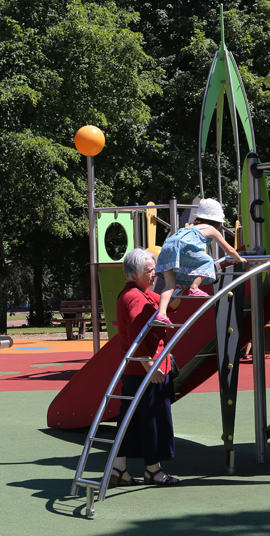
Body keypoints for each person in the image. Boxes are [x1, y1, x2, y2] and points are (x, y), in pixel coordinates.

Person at [111, 248, 180, 486]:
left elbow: (169, 306)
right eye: (150, 271)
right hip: (146, 370)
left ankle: (119, 467)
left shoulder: (142, 293)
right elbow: (135, 336)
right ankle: (153, 469)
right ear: (134, 274)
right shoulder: (134, 297)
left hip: (139, 370)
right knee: (152, 419)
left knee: (131, 419)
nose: (154, 275)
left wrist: (179, 283)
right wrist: (150, 366)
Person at [153, 198, 242, 326]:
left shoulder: (190, 227)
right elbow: (229, 249)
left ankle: (161, 314)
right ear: (216, 221)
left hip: (168, 248)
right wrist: (239, 258)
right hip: (182, 248)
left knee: (169, 285)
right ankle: (194, 288)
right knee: (208, 261)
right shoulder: (211, 230)